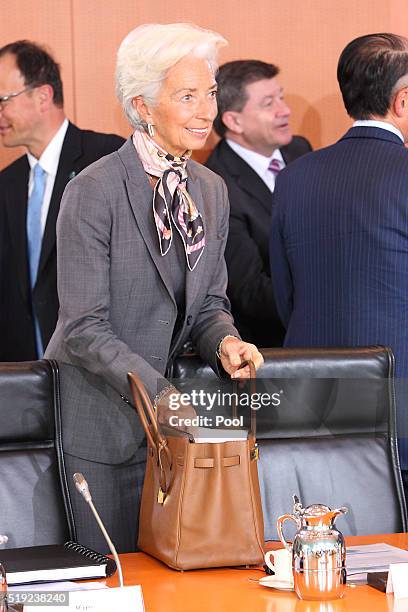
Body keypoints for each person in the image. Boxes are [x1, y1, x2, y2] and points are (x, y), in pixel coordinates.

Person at [45, 23, 264, 553]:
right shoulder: (93, 190)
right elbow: (82, 328)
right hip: (101, 429)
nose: (205, 111)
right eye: (187, 96)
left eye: (209, 93)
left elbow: (209, 302)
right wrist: (161, 394)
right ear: (142, 106)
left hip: (175, 434)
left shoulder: (210, 189)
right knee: (112, 585)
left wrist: (225, 342)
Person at [269, 33, 408, 494]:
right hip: (398, 402)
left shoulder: (293, 178)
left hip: (310, 401)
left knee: (325, 550)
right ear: (401, 101)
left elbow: (286, 297)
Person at [0, 40, 125, 361]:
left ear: (43, 96)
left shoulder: (108, 159)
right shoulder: (7, 182)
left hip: (102, 367)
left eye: (2, 101)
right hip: (28, 374)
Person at [206, 60, 311, 348]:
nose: (285, 110)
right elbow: (250, 292)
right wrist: (322, 299)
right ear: (233, 121)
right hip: (270, 347)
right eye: (268, 103)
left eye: (281, 96)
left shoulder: (300, 150)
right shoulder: (216, 187)